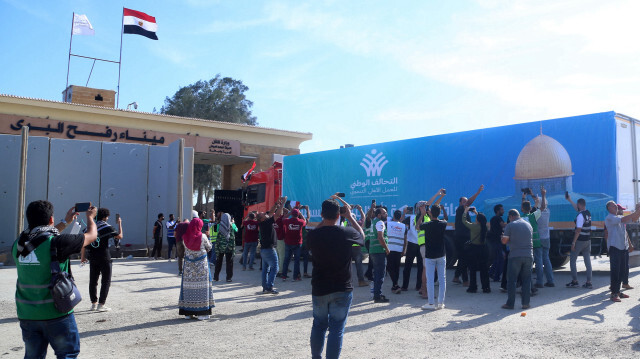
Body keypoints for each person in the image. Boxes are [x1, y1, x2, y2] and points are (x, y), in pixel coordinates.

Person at [13, 200, 97, 358]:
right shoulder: (58, 243)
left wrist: (66, 222)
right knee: (67, 354)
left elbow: (41, 238)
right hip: (56, 313)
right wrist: (91, 217)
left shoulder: (19, 244)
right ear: (51, 219)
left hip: (27, 314)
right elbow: (91, 236)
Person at [308, 195, 364, 359]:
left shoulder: (313, 235)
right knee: (337, 328)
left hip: (320, 287)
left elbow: (315, 234)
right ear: (339, 215)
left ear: (322, 215)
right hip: (342, 287)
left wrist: (323, 222)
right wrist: (351, 217)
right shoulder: (346, 232)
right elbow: (362, 236)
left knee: (318, 325)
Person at [80, 207, 123, 312]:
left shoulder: (89, 228)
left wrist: (83, 257)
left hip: (92, 256)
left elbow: (83, 244)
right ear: (105, 217)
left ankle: (93, 303)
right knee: (106, 280)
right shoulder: (107, 227)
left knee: (93, 281)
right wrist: (119, 223)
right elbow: (120, 236)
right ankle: (101, 304)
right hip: (104, 255)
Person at [178, 218, 215, 320]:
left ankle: (188, 313)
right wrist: (209, 238)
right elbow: (209, 247)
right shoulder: (202, 236)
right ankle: (202, 313)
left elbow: (186, 249)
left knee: (188, 288)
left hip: (189, 269)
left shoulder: (185, 237)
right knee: (201, 288)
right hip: (201, 269)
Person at [604, 201, 640, 302]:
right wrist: (637, 210)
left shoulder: (619, 218)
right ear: (609, 208)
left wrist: (638, 212)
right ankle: (614, 293)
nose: (615, 206)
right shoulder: (610, 217)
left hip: (623, 248)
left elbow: (634, 219)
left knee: (622, 271)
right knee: (615, 271)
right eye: (613, 205)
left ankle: (618, 292)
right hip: (614, 247)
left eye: (616, 205)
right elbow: (624, 218)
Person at [501, 209, 533, 310]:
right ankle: (525, 303)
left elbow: (505, 241)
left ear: (511, 216)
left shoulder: (510, 225)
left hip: (515, 256)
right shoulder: (528, 224)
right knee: (526, 280)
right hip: (529, 255)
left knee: (512, 280)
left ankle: (510, 304)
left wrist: (502, 238)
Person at [417, 204, 448, 310]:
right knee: (442, 279)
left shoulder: (427, 225)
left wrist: (422, 215)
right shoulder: (443, 223)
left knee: (430, 279)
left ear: (430, 213)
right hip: (441, 254)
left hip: (430, 255)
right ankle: (441, 303)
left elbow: (417, 227)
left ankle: (430, 303)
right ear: (439, 213)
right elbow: (443, 219)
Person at [453, 185, 484, 286]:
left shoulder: (465, 212)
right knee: (464, 258)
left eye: (466, 202)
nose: (466, 203)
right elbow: (469, 203)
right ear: (460, 203)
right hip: (460, 238)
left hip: (465, 237)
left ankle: (456, 277)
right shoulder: (459, 210)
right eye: (464, 202)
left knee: (462, 257)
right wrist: (478, 192)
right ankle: (465, 280)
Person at [565, 195, 593, 289]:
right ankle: (589, 282)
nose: (576, 207)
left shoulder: (580, 216)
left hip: (580, 241)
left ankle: (575, 281)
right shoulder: (587, 213)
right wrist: (570, 200)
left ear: (580, 205)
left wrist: (573, 243)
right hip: (588, 240)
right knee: (587, 262)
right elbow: (577, 209)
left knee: (572, 260)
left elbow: (578, 230)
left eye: (577, 205)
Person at [258, 198, 285, 294]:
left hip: (264, 250)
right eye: (263, 214)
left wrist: (276, 203)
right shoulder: (266, 222)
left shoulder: (263, 222)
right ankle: (270, 287)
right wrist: (282, 204)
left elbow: (270, 212)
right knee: (275, 268)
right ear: (262, 218)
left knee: (265, 269)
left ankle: (265, 287)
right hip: (269, 249)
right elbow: (277, 214)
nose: (265, 213)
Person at [462, 206, 490, 293]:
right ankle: (486, 287)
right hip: (483, 249)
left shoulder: (474, 226)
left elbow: (464, 221)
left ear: (477, 220)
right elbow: (482, 219)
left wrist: (465, 212)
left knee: (472, 269)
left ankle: (473, 287)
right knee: (484, 270)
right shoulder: (485, 227)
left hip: (474, 249)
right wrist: (476, 213)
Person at [370, 206, 390, 303]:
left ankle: (376, 294)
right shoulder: (380, 222)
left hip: (374, 251)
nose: (386, 214)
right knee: (380, 274)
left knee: (377, 273)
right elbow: (380, 238)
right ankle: (377, 295)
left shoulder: (374, 222)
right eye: (384, 213)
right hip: (379, 251)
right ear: (379, 215)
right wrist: (387, 249)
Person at [282, 207, 307, 281]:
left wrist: (290, 212)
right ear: (298, 214)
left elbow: (283, 218)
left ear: (292, 214)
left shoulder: (287, 221)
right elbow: (305, 221)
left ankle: (284, 276)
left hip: (288, 242)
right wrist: (301, 214)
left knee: (286, 260)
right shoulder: (300, 222)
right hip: (297, 243)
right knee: (297, 261)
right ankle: (295, 277)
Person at [536, 187, 555, 287]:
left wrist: (542, 195)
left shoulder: (538, 213)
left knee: (538, 260)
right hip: (546, 237)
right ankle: (550, 280)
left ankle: (539, 281)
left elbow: (541, 206)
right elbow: (542, 205)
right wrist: (540, 196)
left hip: (538, 239)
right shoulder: (548, 211)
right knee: (546, 259)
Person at [386, 210, 407, 294]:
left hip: (389, 249)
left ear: (393, 216)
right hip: (399, 249)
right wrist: (404, 249)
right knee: (396, 268)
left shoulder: (388, 224)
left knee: (390, 267)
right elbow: (405, 240)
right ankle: (395, 285)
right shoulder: (404, 226)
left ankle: (395, 284)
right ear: (400, 217)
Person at [214, 213, 236, 282]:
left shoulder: (218, 225)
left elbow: (217, 236)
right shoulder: (232, 226)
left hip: (221, 247)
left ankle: (216, 277)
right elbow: (236, 231)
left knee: (218, 262)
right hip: (229, 247)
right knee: (229, 262)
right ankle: (228, 277)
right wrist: (233, 223)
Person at [487, 204, 506, 282]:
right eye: (502, 209)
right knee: (501, 259)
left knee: (497, 259)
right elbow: (503, 226)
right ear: (498, 211)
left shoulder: (492, 218)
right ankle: (496, 276)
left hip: (494, 241)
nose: (503, 211)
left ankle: (491, 273)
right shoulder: (498, 218)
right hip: (497, 241)